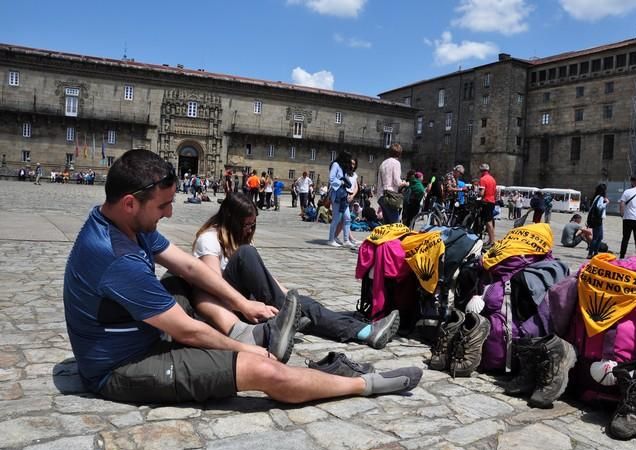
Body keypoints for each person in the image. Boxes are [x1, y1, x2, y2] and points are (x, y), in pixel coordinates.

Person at [63, 149, 420, 406]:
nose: (171, 212)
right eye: (162, 206)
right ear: (130, 203)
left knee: (191, 272)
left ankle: (263, 332)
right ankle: (364, 384)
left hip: (145, 328)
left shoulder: (125, 225)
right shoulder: (116, 257)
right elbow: (185, 331)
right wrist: (249, 351)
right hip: (121, 366)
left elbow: (189, 267)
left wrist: (242, 302)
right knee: (263, 370)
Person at [192, 192, 401, 349]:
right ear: (231, 221)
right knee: (247, 255)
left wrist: (287, 295)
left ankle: (365, 331)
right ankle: (293, 314)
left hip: (250, 300)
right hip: (231, 308)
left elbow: (263, 276)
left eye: (252, 225)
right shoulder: (209, 240)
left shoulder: (241, 240)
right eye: (246, 225)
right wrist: (249, 304)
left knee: (307, 305)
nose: (249, 230)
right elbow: (214, 286)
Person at [327, 152, 355, 248]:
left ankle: (346, 240)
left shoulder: (343, 168)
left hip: (344, 195)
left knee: (347, 217)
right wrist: (341, 182)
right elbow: (331, 178)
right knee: (336, 218)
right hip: (337, 195)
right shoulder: (336, 165)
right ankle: (331, 239)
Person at [377, 143, 408, 224]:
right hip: (390, 196)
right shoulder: (396, 163)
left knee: (387, 224)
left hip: (381, 196)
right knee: (395, 225)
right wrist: (405, 183)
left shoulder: (383, 163)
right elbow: (397, 181)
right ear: (399, 153)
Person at [335, 157, 361, 246]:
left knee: (344, 220)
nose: (352, 165)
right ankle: (346, 239)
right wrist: (346, 195)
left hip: (350, 197)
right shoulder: (344, 173)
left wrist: (352, 195)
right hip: (344, 197)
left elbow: (356, 187)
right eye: (351, 163)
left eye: (354, 164)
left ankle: (337, 237)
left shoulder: (355, 175)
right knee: (346, 218)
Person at [587, 183, 609, 259]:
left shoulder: (596, 197)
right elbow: (599, 207)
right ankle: (591, 253)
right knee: (596, 237)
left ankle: (595, 252)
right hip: (597, 220)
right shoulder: (600, 198)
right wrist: (606, 203)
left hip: (597, 219)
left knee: (599, 237)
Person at [478, 163, 497, 244]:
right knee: (490, 221)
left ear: (481, 171)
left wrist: (478, 193)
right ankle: (490, 240)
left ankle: (492, 242)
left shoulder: (483, 179)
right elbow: (495, 192)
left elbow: (482, 193)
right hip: (492, 201)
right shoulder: (493, 179)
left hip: (486, 201)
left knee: (488, 222)